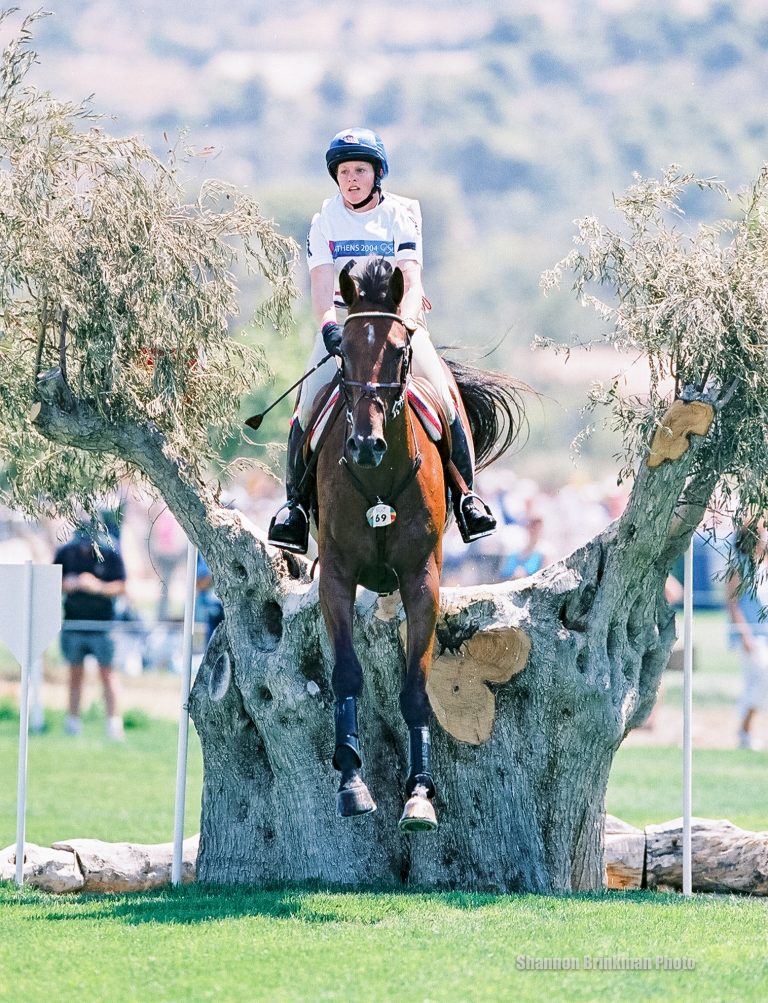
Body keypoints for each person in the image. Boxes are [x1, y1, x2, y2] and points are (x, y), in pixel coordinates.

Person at [267, 127, 497, 553]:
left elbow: (411, 281)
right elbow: (320, 290)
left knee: (444, 397)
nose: (351, 178)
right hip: (345, 330)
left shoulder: (399, 216)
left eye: (360, 170)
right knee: (307, 404)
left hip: (398, 324)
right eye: (344, 171)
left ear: (377, 174)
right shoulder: (324, 222)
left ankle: (467, 498)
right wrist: (328, 329)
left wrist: (407, 326)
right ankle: (294, 509)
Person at [53, 528, 127, 740]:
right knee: (75, 674)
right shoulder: (65, 553)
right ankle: (72, 721)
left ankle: (114, 724)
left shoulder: (110, 552)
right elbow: (50, 581)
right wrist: (68, 584)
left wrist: (97, 587)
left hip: (103, 625)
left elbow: (122, 586)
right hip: (74, 622)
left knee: (108, 674)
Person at [726, 521, 768, 750]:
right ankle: (745, 727)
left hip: (765, 630)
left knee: (757, 681)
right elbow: (732, 603)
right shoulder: (739, 566)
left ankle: (746, 733)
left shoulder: (764, 565)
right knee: (763, 677)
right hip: (751, 633)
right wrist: (744, 634)